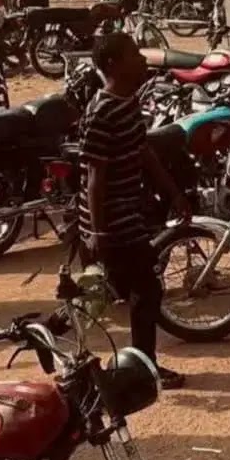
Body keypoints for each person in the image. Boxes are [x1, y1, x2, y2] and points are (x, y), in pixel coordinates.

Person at [79, 32, 189, 389]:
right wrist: (98, 233)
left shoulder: (126, 103)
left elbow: (144, 152)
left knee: (122, 292)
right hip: (112, 218)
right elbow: (95, 177)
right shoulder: (101, 111)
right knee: (144, 290)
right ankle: (142, 369)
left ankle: (137, 366)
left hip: (127, 213)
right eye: (133, 54)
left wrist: (174, 193)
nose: (142, 60)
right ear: (113, 64)